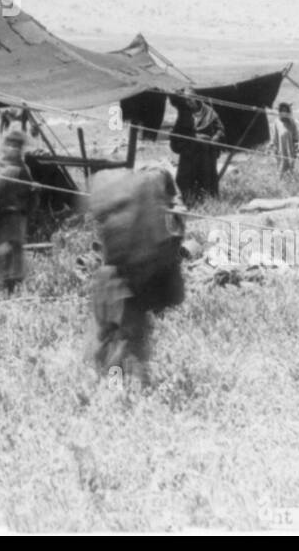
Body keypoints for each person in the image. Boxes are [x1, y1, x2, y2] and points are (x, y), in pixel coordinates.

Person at [86, 169, 185, 385]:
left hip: (112, 283)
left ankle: (110, 384)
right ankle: (123, 386)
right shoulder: (151, 215)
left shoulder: (117, 215)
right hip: (131, 286)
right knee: (128, 341)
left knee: (112, 339)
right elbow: (166, 250)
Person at [0, 128, 37, 294]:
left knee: (14, 252)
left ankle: (12, 287)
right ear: (4, 146)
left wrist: (33, 193)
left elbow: (29, 193)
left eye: (18, 146)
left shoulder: (22, 168)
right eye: (10, 145)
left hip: (15, 217)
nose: (14, 149)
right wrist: (3, 178)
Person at [170, 93, 226, 204]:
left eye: (191, 101)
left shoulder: (210, 112)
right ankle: (187, 199)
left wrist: (215, 138)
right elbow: (177, 131)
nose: (189, 103)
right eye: (186, 101)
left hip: (206, 152)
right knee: (185, 177)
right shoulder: (184, 113)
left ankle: (207, 200)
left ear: (197, 100)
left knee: (207, 176)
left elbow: (220, 129)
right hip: (189, 150)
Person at [272, 102, 299, 175]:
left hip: (290, 148)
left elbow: (295, 135)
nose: (284, 113)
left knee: (291, 163)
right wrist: (274, 146)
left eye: (286, 111)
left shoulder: (292, 122)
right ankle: (280, 179)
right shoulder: (277, 122)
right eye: (282, 111)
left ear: (288, 112)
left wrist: (296, 145)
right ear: (280, 112)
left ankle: (291, 178)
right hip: (280, 147)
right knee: (281, 164)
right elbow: (274, 136)